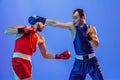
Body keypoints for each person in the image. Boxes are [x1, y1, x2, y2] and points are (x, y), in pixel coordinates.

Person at [33, 8, 104, 80]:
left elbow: (96, 45)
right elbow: (56, 23)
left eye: (76, 18)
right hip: (79, 63)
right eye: (73, 18)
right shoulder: (73, 26)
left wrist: (87, 36)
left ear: (82, 17)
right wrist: (42, 19)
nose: (74, 20)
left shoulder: (92, 28)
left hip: (92, 62)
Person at [5, 16, 71, 80]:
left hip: (28, 63)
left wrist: (60, 56)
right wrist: (26, 30)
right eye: (44, 23)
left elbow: (45, 55)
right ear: (38, 22)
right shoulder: (23, 27)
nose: (45, 26)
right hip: (19, 60)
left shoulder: (41, 38)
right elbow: (7, 31)